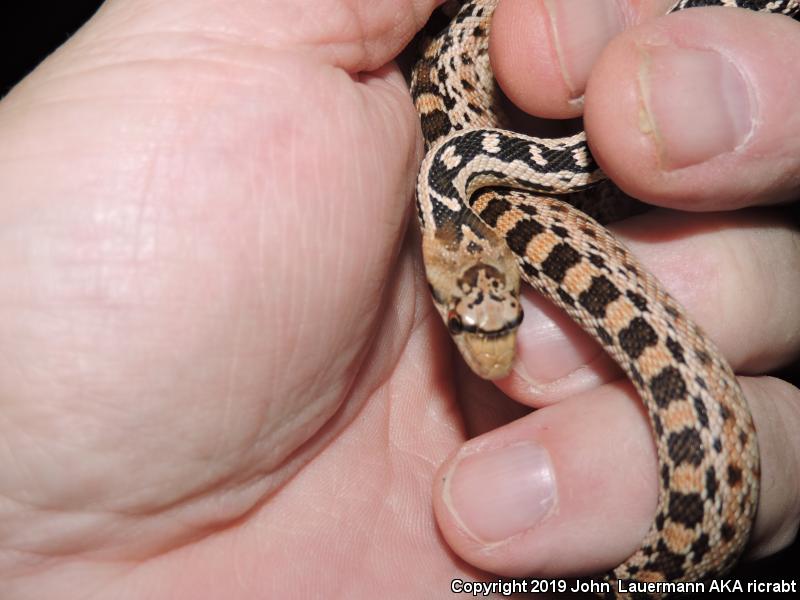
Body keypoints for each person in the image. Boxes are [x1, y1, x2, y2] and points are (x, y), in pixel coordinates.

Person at [0, 0, 797, 596]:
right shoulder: (446, 186)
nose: (492, 353)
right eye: (467, 319)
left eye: (499, 321)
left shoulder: (463, 189)